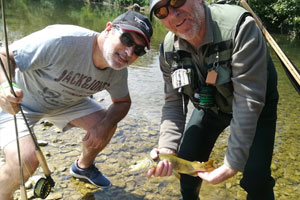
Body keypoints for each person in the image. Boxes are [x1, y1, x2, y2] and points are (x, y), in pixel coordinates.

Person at [0, 11, 152, 200]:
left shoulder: (117, 69)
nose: (129, 52)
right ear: (109, 29)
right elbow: (4, 55)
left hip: (65, 104)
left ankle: (83, 167)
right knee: (25, 161)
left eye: (139, 50)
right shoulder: (63, 40)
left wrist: (103, 126)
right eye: (127, 39)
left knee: (108, 123)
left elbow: (122, 102)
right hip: (18, 102)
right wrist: (6, 86)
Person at [146, 0, 279, 199]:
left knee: (255, 178)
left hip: (255, 107)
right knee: (187, 167)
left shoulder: (241, 27)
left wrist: (231, 164)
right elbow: (173, 102)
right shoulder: (168, 49)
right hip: (209, 107)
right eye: (161, 11)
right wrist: (166, 148)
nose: (172, 14)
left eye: (177, 1)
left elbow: (248, 101)